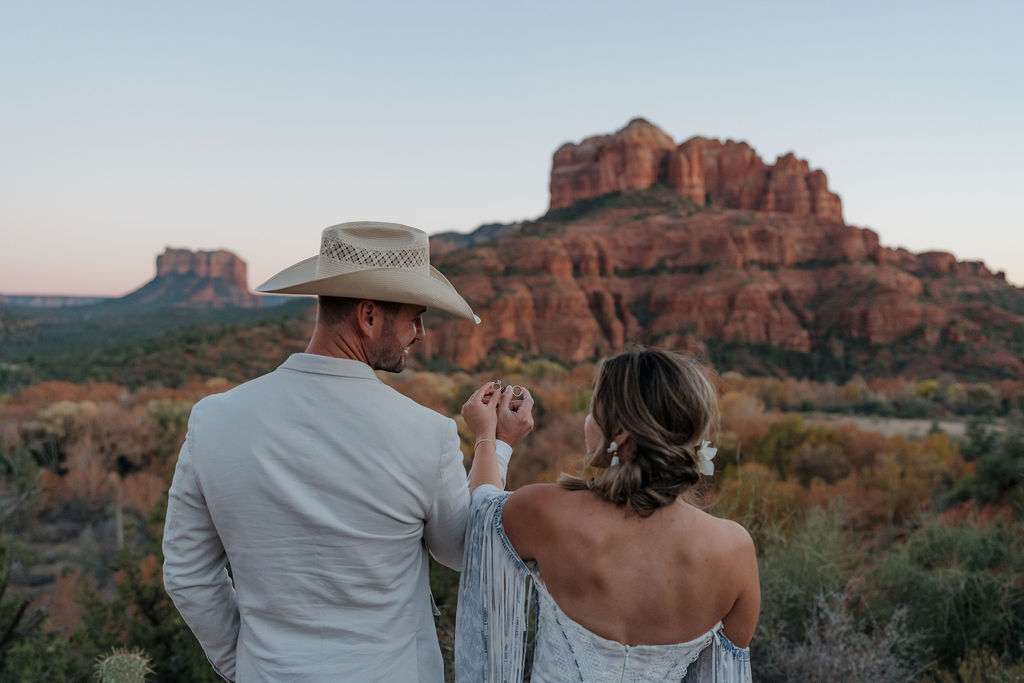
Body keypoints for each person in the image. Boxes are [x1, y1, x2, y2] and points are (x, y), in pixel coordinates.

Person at [162, 221, 533, 681]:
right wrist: (493, 444)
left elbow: (187, 574)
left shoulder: (212, 419)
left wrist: (248, 665)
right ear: (369, 315)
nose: (421, 333)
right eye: (415, 317)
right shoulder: (425, 432)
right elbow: (466, 551)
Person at [456, 347, 759, 681]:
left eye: (592, 411)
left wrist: (491, 438)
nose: (587, 422)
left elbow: (482, 512)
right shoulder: (735, 550)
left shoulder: (547, 512)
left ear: (619, 432)